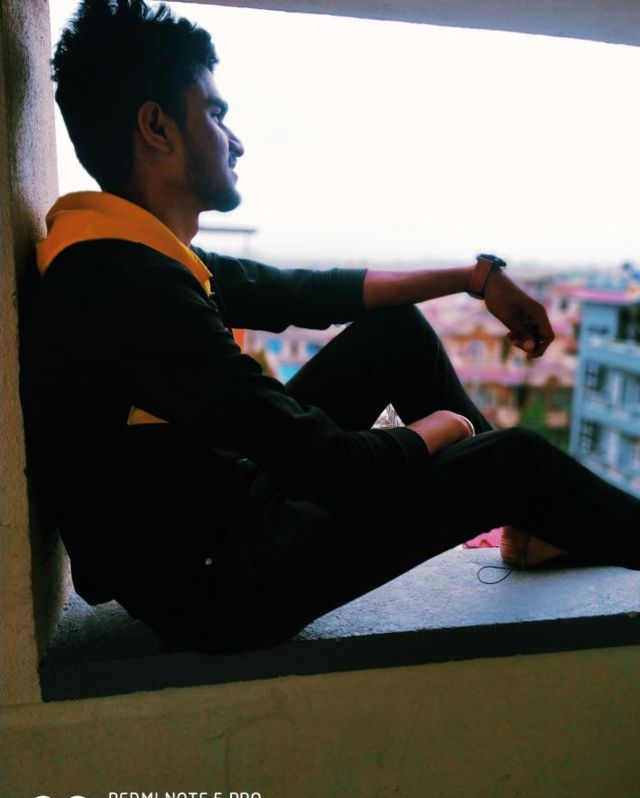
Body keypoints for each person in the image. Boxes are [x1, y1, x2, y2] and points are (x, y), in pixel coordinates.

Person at [20, 0, 639, 654]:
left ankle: (533, 526)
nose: (235, 140)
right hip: (222, 586)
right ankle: (538, 511)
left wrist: (476, 278)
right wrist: (442, 430)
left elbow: (308, 292)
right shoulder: (131, 293)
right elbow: (330, 467)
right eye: (216, 114)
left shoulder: (116, 255)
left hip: (213, 515)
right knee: (515, 461)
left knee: (396, 333)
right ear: (156, 127)